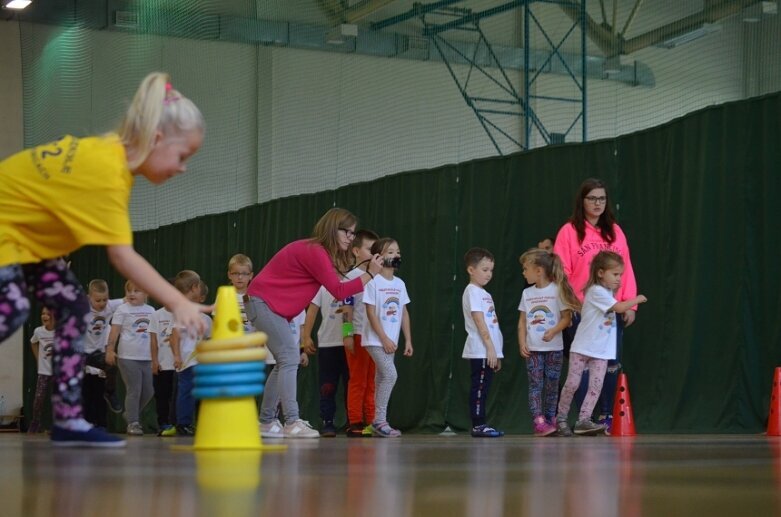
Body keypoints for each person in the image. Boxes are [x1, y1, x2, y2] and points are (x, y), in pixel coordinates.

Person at [0, 71, 209, 447]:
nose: (182, 168)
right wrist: (178, 301)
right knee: (11, 307)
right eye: (182, 156)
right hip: (6, 226)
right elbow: (123, 257)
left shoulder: (111, 159)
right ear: (157, 140)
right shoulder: (109, 171)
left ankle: (67, 419)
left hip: (25, 239)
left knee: (70, 305)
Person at [246, 208, 384, 439]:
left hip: (266, 305)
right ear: (332, 229)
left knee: (283, 362)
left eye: (353, 234)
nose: (350, 237)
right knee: (289, 358)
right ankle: (291, 422)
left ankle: (266, 422)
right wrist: (370, 274)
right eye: (346, 232)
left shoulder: (320, 253)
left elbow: (341, 279)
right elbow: (339, 290)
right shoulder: (315, 251)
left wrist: (365, 266)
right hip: (262, 303)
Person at [553, 178, 638, 431]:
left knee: (609, 364)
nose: (598, 203)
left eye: (602, 198)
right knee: (583, 367)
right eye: (592, 198)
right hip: (582, 311)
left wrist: (630, 304)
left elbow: (627, 269)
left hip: (611, 312)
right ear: (582, 201)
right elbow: (562, 272)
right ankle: (582, 419)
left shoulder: (615, 231)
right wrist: (569, 304)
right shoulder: (569, 231)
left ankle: (605, 417)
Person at [555, 251, 647, 436]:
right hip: (582, 348)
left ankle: (584, 420)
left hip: (601, 351)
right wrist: (638, 299)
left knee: (595, 386)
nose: (618, 279)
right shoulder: (596, 291)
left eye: (620, 275)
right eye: (615, 274)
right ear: (600, 273)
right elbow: (620, 307)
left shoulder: (607, 293)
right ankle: (561, 418)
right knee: (572, 383)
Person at [518, 248, 580, 437]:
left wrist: (553, 331)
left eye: (525, 268)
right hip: (534, 349)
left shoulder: (557, 290)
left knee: (552, 384)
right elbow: (522, 322)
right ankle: (538, 421)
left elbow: (566, 318)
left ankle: (551, 418)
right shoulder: (527, 293)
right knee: (535, 385)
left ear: (539, 270)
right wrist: (522, 343)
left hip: (554, 348)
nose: (523, 272)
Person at [363, 237, 413, 438]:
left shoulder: (400, 284)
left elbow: (404, 312)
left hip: (391, 341)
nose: (395, 255)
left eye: (397, 252)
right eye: (390, 252)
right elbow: (371, 312)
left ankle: (376, 421)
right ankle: (379, 421)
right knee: (391, 375)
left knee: (382, 377)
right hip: (375, 340)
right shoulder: (373, 282)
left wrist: (408, 339)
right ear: (378, 257)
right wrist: (383, 337)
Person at [461, 248, 504, 438]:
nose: (489, 274)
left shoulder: (484, 293)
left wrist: (497, 352)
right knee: (478, 388)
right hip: (481, 350)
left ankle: (482, 423)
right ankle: (478, 425)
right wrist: (490, 348)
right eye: (484, 269)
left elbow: (492, 324)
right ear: (471, 270)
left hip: (489, 351)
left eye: (491, 270)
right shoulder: (472, 292)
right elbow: (479, 322)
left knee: (484, 389)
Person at [105, 281, 155, 436]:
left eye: (137, 291)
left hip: (147, 357)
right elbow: (114, 332)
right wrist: (110, 350)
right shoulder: (122, 309)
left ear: (146, 293)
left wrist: (156, 357)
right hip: (127, 356)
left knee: (149, 391)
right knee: (134, 389)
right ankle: (133, 423)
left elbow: (154, 336)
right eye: (129, 291)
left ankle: (131, 414)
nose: (132, 294)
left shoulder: (152, 310)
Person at [343, 229, 379, 437]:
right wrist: (347, 334)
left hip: (375, 337)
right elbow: (346, 308)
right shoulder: (352, 276)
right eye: (369, 249)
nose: (373, 253)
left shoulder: (377, 278)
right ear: (356, 251)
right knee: (358, 379)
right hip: (357, 334)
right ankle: (355, 422)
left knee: (372, 380)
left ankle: (372, 420)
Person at [302, 285, 350, 437]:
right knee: (327, 385)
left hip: (350, 343)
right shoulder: (323, 286)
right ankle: (327, 421)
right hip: (327, 343)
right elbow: (312, 310)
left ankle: (354, 421)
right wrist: (306, 336)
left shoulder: (355, 280)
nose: (340, 261)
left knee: (352, 384)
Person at [170, 271, 213, 436]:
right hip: (187, 361)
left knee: (199, 393)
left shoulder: (205, 318)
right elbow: (175, 336)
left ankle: (197, 423)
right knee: (186, 391)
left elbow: (209, 339)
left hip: (201, 362)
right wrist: (177, 356)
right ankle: (183, 423)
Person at [83, 279, 124, 427]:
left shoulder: (111, 306)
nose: (101, 303)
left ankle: (110, 392)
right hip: (80, 352)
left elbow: (128, 299)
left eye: (105, 299)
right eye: (97, 300)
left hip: (96, 353)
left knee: (111, 364)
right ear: (89, 298)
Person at [260, 309, 308, 437]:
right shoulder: (272, 305)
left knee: (283, 373)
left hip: (290, 353)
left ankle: (269, 421)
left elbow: (302, 328)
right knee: (282, 368)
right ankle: (288, 421)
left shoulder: (300, 307)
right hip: (275, 353)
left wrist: (302, 350)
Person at [150, 289, 176, 436]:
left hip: (178, 365)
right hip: (162, 364)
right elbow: (153, 340)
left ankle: (176, 424)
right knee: (162, 397)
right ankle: (163, 424)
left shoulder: (181, 314)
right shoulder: (156, 315)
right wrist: (154, 361)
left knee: (175, 397)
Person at [27, 307, 55, 434]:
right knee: (39, 398)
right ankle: (35, 422)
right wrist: (38, 358)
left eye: (48, 314)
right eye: (43, 313)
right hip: (43, 371)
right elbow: (33, 342)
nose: (45, 316)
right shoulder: (39, 331)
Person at [226, 253, 254, 332]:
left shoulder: (256, 297)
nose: (240, 277)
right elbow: (217, 319)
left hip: (251, 341)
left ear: (251, 275)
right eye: (235, 273)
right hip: (230, 340)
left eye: (244, 273)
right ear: (229, 275)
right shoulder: (224, 296)